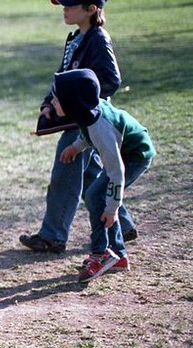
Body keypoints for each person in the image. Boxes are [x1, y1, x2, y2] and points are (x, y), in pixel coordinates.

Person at [19, 0, 136, 253]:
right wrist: (50, 103)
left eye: (71, 5)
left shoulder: (97, 39)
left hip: (84, 121)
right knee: (92, 175)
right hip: (76, 119)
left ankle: (53, 236)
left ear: (91, 9)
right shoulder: (74, 38)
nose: (64, 8)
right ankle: (125, 225)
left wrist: (81, 103)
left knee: (65, 171)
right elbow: (65, 77)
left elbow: (111, 80)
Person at [50, 69, 155, 283]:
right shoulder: (86, 112)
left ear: (73, 102)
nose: (52, 101)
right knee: (95, 196)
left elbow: (116, 172)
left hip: (134, 156)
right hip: (121, 152)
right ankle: (118, 256)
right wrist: (77, 146)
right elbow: (85, 130)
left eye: (56, 99)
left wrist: (112, 209)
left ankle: (102, 253)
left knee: (96, 197)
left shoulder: (101, 129)